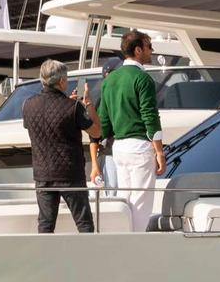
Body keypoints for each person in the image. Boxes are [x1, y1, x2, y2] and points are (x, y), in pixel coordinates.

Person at [96, 31, 164, 231]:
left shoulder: (109, 80)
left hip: (119, 148)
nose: (152, 50)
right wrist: (159, 151)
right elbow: (150, 117)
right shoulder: (142, 79)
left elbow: (104, 121)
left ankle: (123, 246)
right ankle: (137, 250)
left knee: (124, 202)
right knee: (141, 206)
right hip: (140, 147)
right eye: (149, 46)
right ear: (138, 49)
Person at [24, 59, 102, 233]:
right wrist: (87, 104)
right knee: (84, 224)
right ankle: (90, 259)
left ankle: (45, 259)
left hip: (42, 173)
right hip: (70, 173)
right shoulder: (73, 107)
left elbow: (47, 121)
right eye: (66, 79)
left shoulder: (28, 105)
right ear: (61, 82)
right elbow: (96, 132)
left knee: (45, 224)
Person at [87, 56, 124, 195]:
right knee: (113, 195)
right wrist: (95, 166)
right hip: (109, 154)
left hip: (126, 152)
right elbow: (94, 137)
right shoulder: (101, 101)